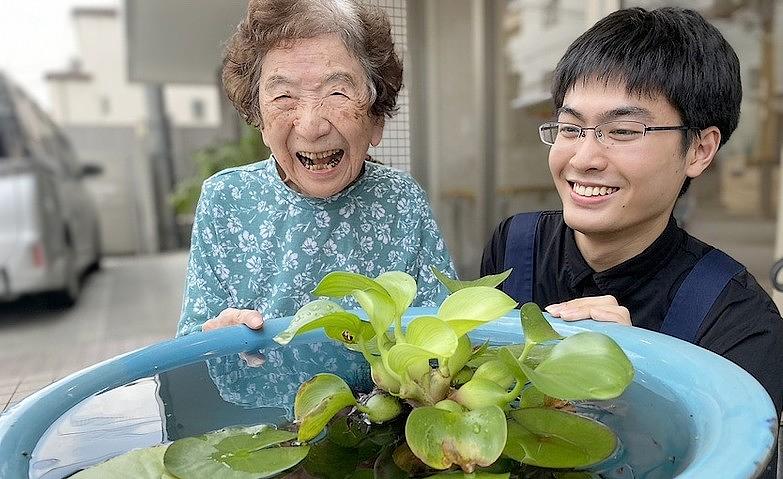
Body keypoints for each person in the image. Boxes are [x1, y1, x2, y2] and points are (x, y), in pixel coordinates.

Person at [481, 7, 782, 477]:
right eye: (571, 128)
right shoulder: (515, 245)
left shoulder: (740, 324)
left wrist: (632, 382)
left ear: (700, 150)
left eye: (622, 131)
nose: (583, 157)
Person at [177, 0, 454, 336]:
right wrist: (216, 337)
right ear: (260, 120)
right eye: (283, 97)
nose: (310, 126)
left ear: (376, 117)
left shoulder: (401, 201)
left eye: (337, 92)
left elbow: (442, 334)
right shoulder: (227, 201)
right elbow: (190, 345)